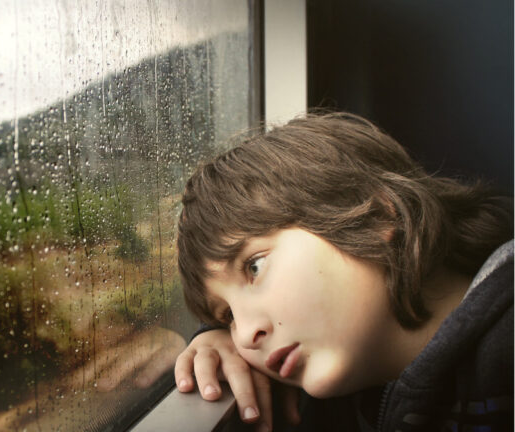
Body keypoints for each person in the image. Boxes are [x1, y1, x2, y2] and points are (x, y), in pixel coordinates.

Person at [173, 112, 513, 431]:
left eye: (255, 266)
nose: (245, 334)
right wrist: (212, 336)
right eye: (229, 314)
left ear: (375, 214)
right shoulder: (346, 381)